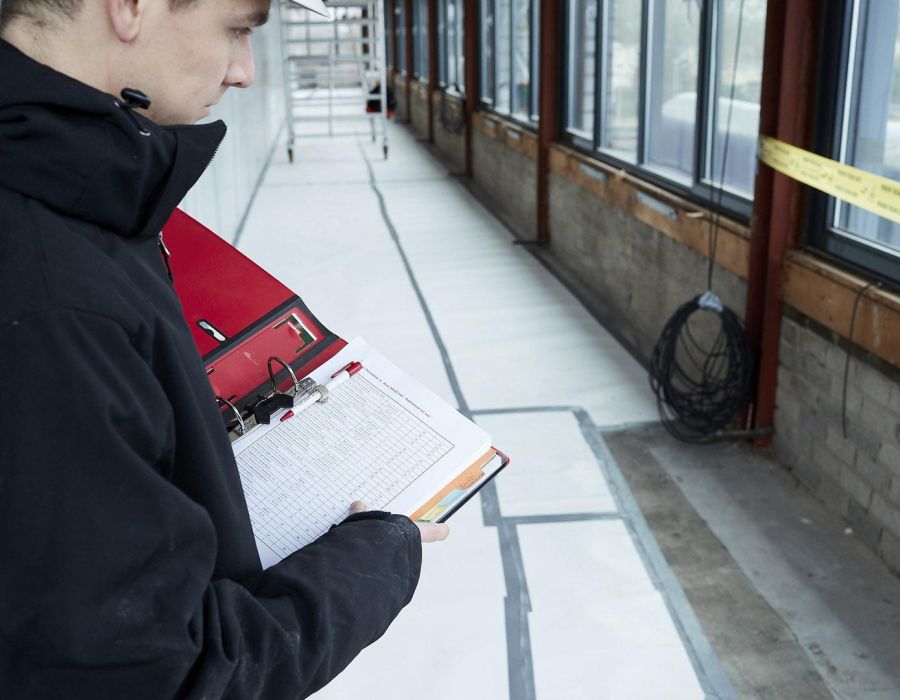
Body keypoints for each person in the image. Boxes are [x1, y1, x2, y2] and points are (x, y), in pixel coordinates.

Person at [0, 0, 448, 697]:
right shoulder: (55, 301)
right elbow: (164, 675)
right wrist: (377, 556)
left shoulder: (76, 196)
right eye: (237, 28)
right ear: (131, 7)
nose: (244, 72)